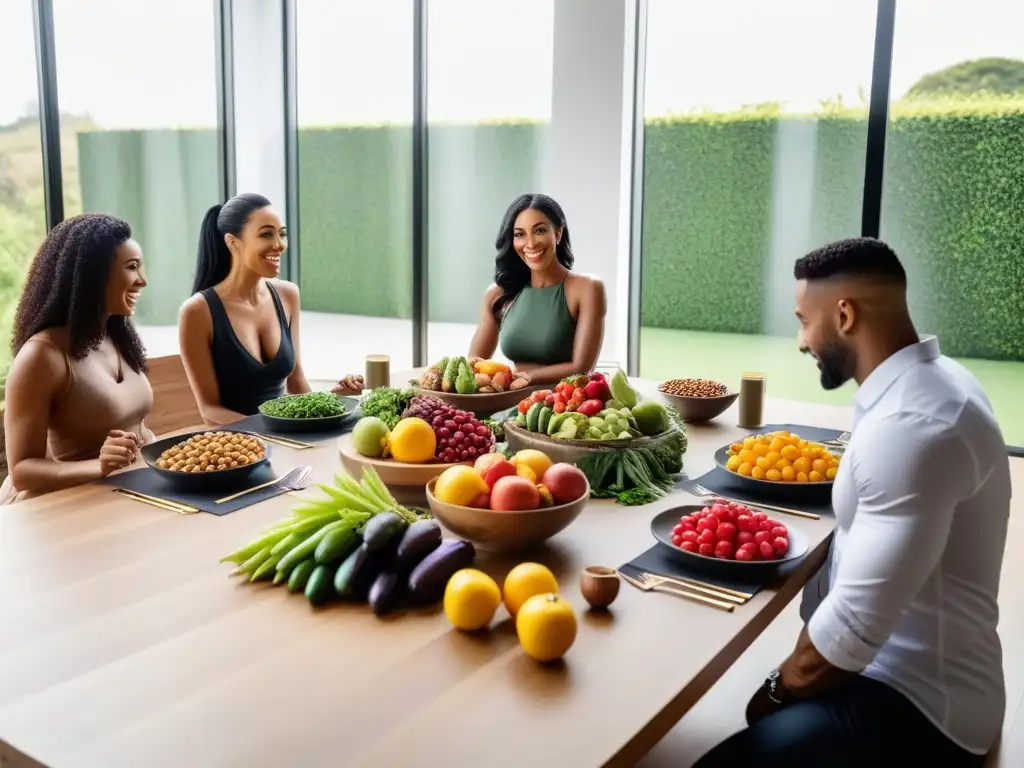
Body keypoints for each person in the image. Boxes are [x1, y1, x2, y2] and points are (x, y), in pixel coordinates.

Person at [695, 238, 1010, 767]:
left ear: (844, 315)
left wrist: (776, 690)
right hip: (909, 671)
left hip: (924, 708)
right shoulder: (928, 386)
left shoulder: (913, 428)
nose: (800, 341)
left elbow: (852, 630)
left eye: (803, 321)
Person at [1, 213, 154, 504]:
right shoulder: (41, 356)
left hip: (126, 491)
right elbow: (22, 471)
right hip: (64, 506)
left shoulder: (117, 336)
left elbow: (139, 431)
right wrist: (99, 466)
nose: (142, 281)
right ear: (92, 275)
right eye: (132, 267)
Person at [178, 193, 363, 425]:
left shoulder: (287, 295)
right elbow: (209, 410)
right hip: (233, 449)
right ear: (232, 242)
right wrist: (273, 433)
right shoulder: (197, 311)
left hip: (283, 438)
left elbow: (296, 383)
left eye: (281, 234)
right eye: (266, 234)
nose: (279, 245)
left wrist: (331, 397)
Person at [468, 193, 606, 383]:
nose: (531, 243)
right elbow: (475, 366)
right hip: (510, 406)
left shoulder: (587, 288)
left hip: (564, 407)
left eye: (539, 230)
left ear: (557, 233)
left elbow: (582, 369)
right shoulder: (497, 294)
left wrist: (522, 378)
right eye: (519, 234)